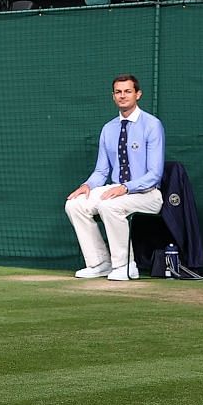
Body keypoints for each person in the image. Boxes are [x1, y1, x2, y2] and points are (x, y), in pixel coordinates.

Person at [63, 74, 166, 281]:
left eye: (128, 91)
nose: (122, 96)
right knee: (74, 204)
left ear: (138, 94)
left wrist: (126, 188)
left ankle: (125, 266)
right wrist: (87, 185)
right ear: (113, 96)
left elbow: (155, 175)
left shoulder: (152, 125)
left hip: (148, 194)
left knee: (109, 206)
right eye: (118, 92)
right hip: (117, 190)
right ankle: (99, 263)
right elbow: (101, 171)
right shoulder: (108, 129)